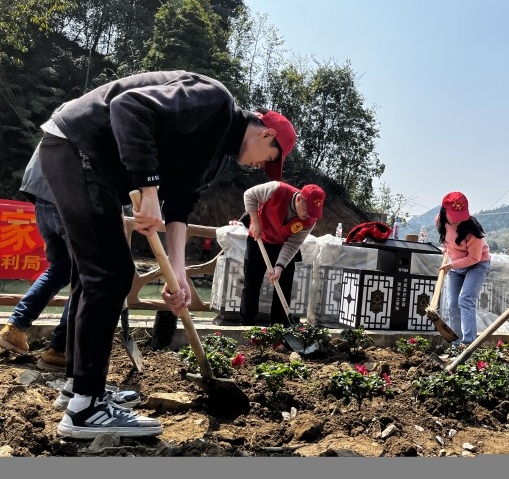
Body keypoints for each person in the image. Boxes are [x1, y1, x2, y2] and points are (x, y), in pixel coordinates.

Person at [37, 70, 296, 439]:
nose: (261, 168)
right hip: (77, 147)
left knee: (92, 274)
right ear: (266, 133)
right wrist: (150, 188)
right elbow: (129, 108)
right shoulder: (214, 102)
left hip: (89, 160)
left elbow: (180, 206)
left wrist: (178, 270)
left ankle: (79, 389)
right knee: (110, 275)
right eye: (269, 158)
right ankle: (86, 410)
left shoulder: (216, 155)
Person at [0, 143, 70, 372]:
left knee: (60, 268)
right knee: (88, 276)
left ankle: (15, 328)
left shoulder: (68, 116)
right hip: (71, 202)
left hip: (41, 197)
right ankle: (60, 350)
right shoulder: (110, 116)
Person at [239, 181, 326, 326]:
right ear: (299, 199)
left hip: (281, 245)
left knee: (284, 285)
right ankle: (247, 323)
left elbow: (293, 243)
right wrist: (254, 221)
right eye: (306, 211)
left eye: (313, 212)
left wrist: (279, 266)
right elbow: (249, 194)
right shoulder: (276, 189)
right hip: (259, 238)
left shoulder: (310, 220)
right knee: (252, 283)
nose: (308, 216)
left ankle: (278, 326)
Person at [436, 191, 491, 348]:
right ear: (444, 210)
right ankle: (456, 343)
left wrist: (451, 265)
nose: (458, 219)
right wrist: (446, 250)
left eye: (461, 214)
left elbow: (474, 258)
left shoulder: (473, 231)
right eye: (454, 214)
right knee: (453, 304)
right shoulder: (440, 221)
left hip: (477, 265)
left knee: (465, 300)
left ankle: (468, 344)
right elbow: (447, 241)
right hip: (456, 265)